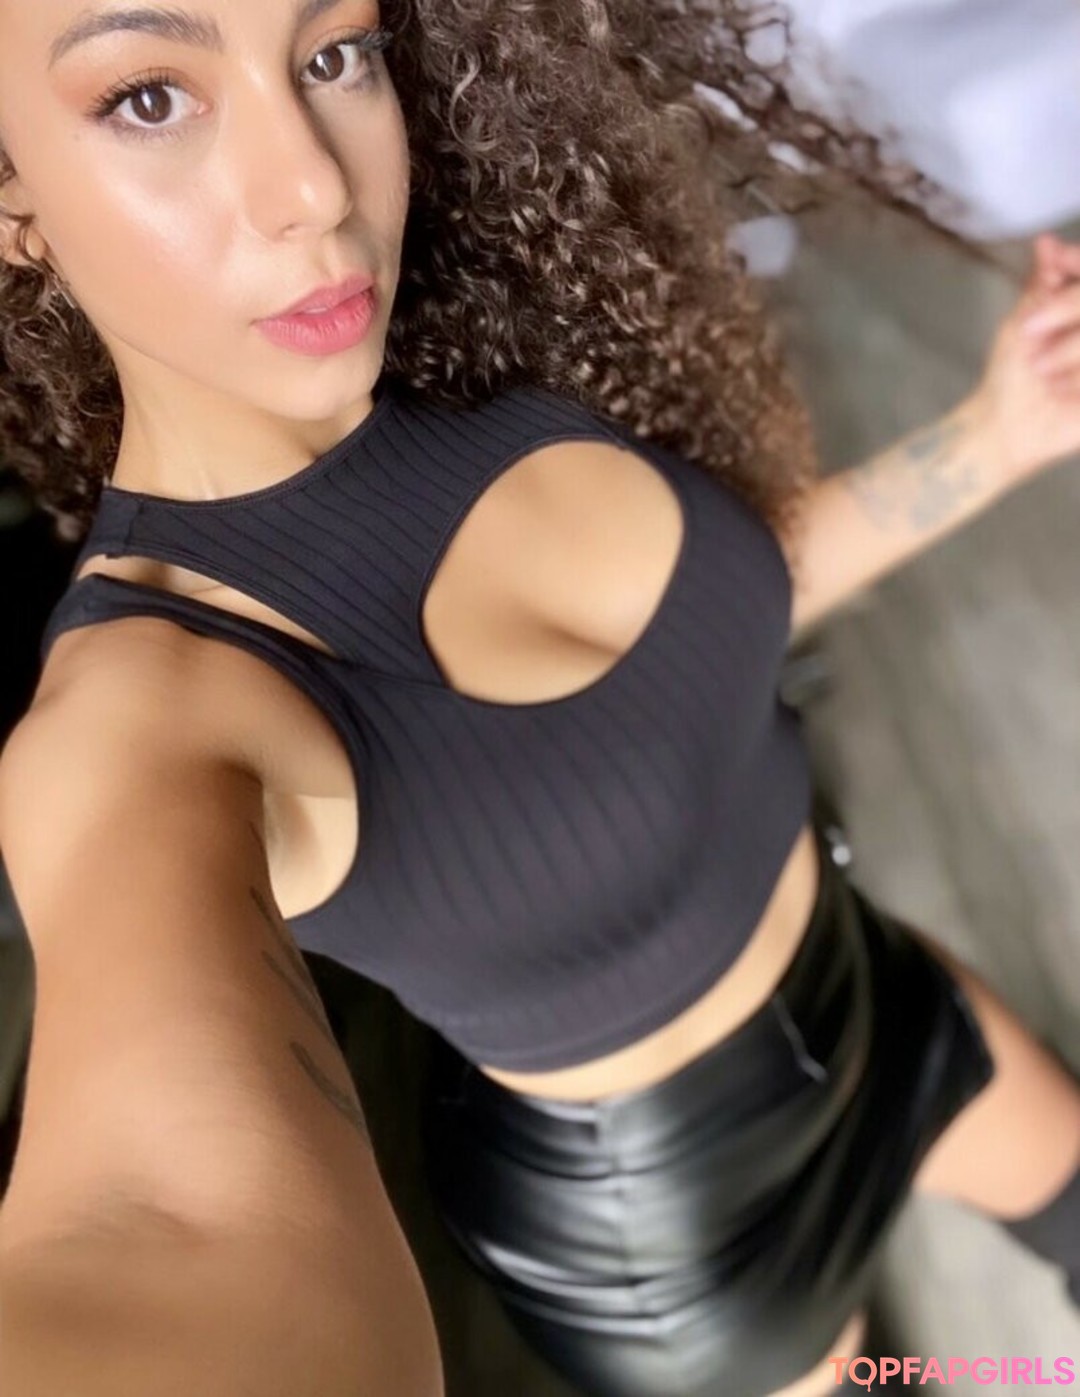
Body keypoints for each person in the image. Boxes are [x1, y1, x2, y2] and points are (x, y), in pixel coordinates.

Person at [0, 3, 1078, 1396]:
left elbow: (695, 645)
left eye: (333, 54)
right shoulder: (146, 709)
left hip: (865, 983)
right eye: (149, 98)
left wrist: (991, 439)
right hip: (682, 1241)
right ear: (13, 202)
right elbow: (164, 1228)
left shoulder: (477, 354)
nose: (314, 186)